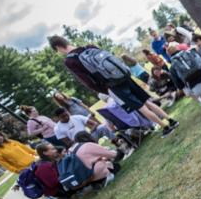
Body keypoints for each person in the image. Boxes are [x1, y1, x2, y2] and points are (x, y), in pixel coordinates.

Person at [49, 36, 179, 138]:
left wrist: (105, 90)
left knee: (140, 107)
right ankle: (171, 120)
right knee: (146, 101)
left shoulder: (70, 61)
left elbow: (87, 81)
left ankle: (165, 127)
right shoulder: (88, 47)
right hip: (123, 76)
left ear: (58, 47)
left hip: (112, 85)